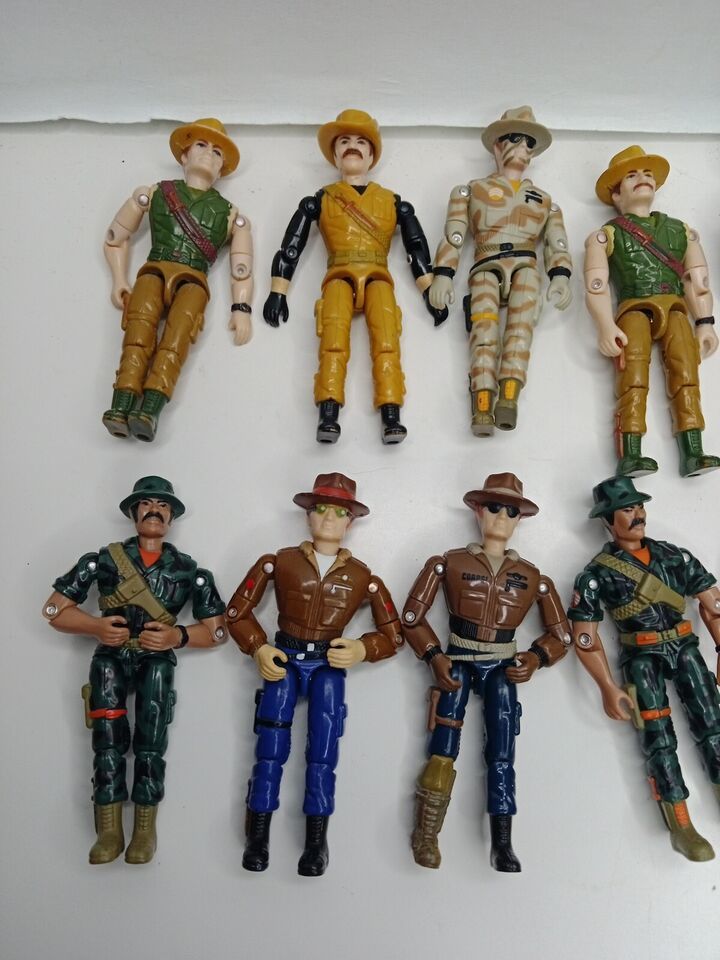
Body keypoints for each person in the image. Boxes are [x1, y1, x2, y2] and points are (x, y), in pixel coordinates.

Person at [42, 477, 227, 864]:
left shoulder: (188, 571)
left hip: (155, 660)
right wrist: (95, 626)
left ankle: (144, 830)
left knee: (151, 743)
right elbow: (54, 610)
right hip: (110, 657)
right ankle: (109, 830)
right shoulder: (103, 561)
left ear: (172, 517)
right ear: (133, 512)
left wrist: (177, 636)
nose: (154, 510)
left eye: (163, 505)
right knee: (106, 741)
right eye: (146, 503)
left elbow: (217, 631)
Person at [226, 472, 402, 875]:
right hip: (284, 658)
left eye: (340, 512)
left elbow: (393, 635)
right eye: (321, 509)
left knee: (323, 752)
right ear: (308, 514)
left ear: (351, 522)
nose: (329, 519)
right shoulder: (280, 562)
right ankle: (258, 836)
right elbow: (236, 612)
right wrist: (258, 646)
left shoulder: (362, 577)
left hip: (327, 664)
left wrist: (362, 648)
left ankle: (316, 842)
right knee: (270, 749)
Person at [402, 473, 570, 871]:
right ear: (478, 511)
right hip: (457, 660)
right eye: (493, 507)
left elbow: (561, 635)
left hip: (503, 666)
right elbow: (411, 618)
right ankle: (426, 834)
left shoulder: (533, 577)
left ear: (519, 519)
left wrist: (537, 657)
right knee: (442, 746)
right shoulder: (449, 563)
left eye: (511, 511)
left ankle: (503, 843)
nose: (501, 517)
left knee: (502, 752)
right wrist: (434, 656)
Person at [263, 109, 445, 444]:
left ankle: (391, 413)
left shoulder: (392, 202)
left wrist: (428, 289)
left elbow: (416, 248)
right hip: (338, 273)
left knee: (387, 341)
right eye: (344, 141)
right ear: (334, 155)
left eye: (361, 142)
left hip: (378, 275)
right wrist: (278, 290)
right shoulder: (321, 200)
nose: (352, 146)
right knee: (332, 342)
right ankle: (328, 412)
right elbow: (291, 246)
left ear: (372, 156)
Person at [568, 475, 720, 861]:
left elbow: (712, 604)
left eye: (639, 507)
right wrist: (607, 686)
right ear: (608, 520)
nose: (637, 515)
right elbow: (585, 636)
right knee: (658, 739)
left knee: (712, 721)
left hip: (684, 648)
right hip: (641, 658)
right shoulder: (596, 574)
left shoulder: (674, 557)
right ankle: (681, 823)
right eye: (626, 510)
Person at [102, 118, 253, 441]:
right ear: (184, 155)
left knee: (176, 341)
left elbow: (241, 268)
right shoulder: (155, 193)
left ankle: (150, 410)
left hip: (194, 279)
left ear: (223, 168)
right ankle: (120, 405)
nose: (209, 154)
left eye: (217, 152)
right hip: (155, 269)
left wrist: (241, 308)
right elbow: (115, 238)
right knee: (137, 335)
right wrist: (119, 279)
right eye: (201, 145)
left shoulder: (230, 214)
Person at [428, 106, 572, 436]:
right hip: (486, 262)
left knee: (520, 329)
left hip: (526, 264)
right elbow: (454, 233)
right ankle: (481, 405)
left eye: (529, 143)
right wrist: (443, 273)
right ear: (497, 145)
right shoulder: (471, 190)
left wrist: (561, 275)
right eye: (515, 139)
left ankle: (508, 399)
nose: (522, 147)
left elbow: (557, 241)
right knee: (484, 332)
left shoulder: (544, 200)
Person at [585, 145, 719, 477]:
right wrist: (605, 325)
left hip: (675, 307)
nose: (642, 179)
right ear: (616, 194)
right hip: (634, 308)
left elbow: (697, 280)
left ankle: (693, 450)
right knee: (632, 378)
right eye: (631, 176)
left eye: (647, 174)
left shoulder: (681, 231)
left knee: (686, 373)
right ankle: (630, 453)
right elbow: (596, 285)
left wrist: (704, 321)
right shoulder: (607, 235)